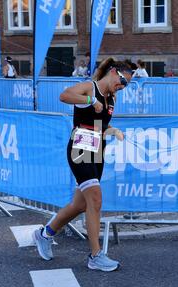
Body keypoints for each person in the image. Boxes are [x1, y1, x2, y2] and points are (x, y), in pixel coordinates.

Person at [32, 57, 133, 272]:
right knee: (95, 199)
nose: (123, 86)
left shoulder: (111, 97)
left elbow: (98, 126)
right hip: (80, 148)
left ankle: (45, 234)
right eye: (123, 80)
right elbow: (64, 95)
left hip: (97, 151)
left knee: (80, 204)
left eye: (127, 85)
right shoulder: (91, 87)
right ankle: (95, 256)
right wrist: (90, 101)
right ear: (114, 71)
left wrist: (112, 131)